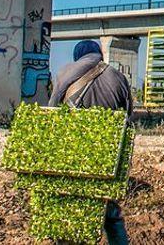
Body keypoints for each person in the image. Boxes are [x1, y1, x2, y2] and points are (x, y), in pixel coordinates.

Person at [48, 40, 133, 245]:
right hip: (107, 159)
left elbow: (51, 114)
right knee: (111, 214)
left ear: (78, 56)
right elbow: (128, 117)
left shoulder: (65, 73)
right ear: (99, 54)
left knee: (70, 210)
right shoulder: (118, 77)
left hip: (74, 156)